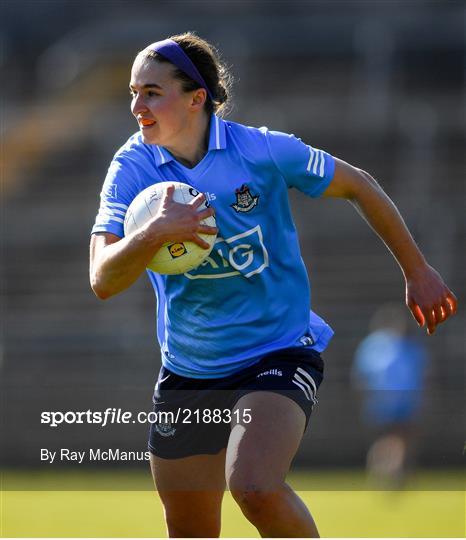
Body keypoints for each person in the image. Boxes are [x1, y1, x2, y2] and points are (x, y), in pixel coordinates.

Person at [89, 32, 457, 538]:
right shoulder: (132, 168)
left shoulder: (261, 151)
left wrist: (418, 270)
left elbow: (358, 185)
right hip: (188, 370)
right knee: (190, 531)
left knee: (255, 487)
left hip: (276, 352)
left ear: (197, 97)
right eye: (132, 92)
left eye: (152, 91)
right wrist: (155, 232)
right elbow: (102, 278)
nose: (136, 106)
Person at [352, 303, 430, 489]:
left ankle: (381, 472)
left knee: (388, 438)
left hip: (380, 400)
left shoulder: (371, 345)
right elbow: (421, 373)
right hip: (399, 400)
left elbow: (361, 375)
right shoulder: (399, 346)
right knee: (398, 438)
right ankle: (392, 474)